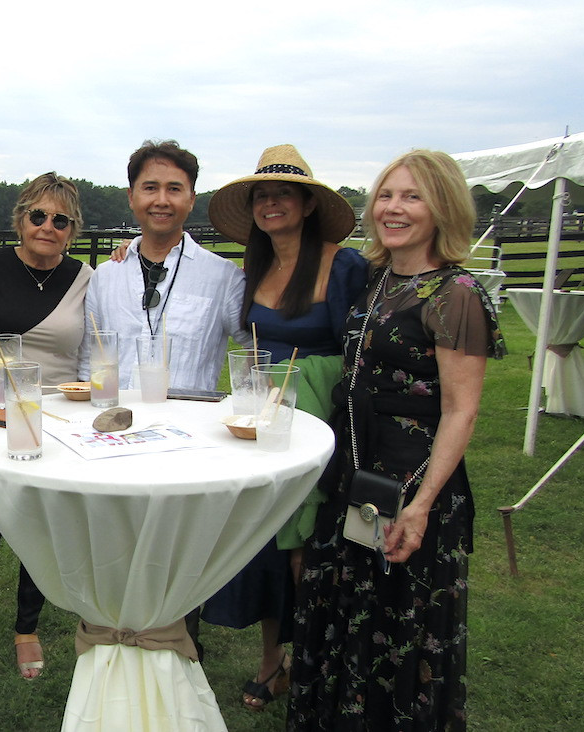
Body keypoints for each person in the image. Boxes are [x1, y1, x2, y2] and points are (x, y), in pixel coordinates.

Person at [289, 150, 506, 731]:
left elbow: (461, 410)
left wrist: (421, 504)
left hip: (412, 482)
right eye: (387, 195)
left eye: (412, 197)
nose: (394, 208)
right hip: (356, 475)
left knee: (399, 620)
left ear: (443, 208)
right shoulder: (379, 278)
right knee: (346, 605)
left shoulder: (455, 293)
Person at [198, 144, 367, 711]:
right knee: (267, 541)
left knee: (310, 549)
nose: (271, 202)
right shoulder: (255, 267)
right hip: (260, 416)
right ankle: (274, 663)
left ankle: (318, 662)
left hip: (320, 419)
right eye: (262, 194)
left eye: (283, 192)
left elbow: (359, 351)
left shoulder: (342, 265)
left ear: (306, 203)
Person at [0, 172, 92, 690]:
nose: (47, 226)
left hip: (58, 422)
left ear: (72, 230)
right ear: (20, 218)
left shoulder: (87, 277)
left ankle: (27, 629)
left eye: (60, 220)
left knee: (42, 532)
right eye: (38, 215)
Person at [78, 140, 248, 392]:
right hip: (116, 425)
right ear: (131, 197)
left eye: (174, 189)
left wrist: (242, 401)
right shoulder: (105, 276)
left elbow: (256, 349)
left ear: (191, 199)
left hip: (191, 427)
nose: (161, 200)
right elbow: (88, 362)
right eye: (150, 188)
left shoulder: (223, 278)